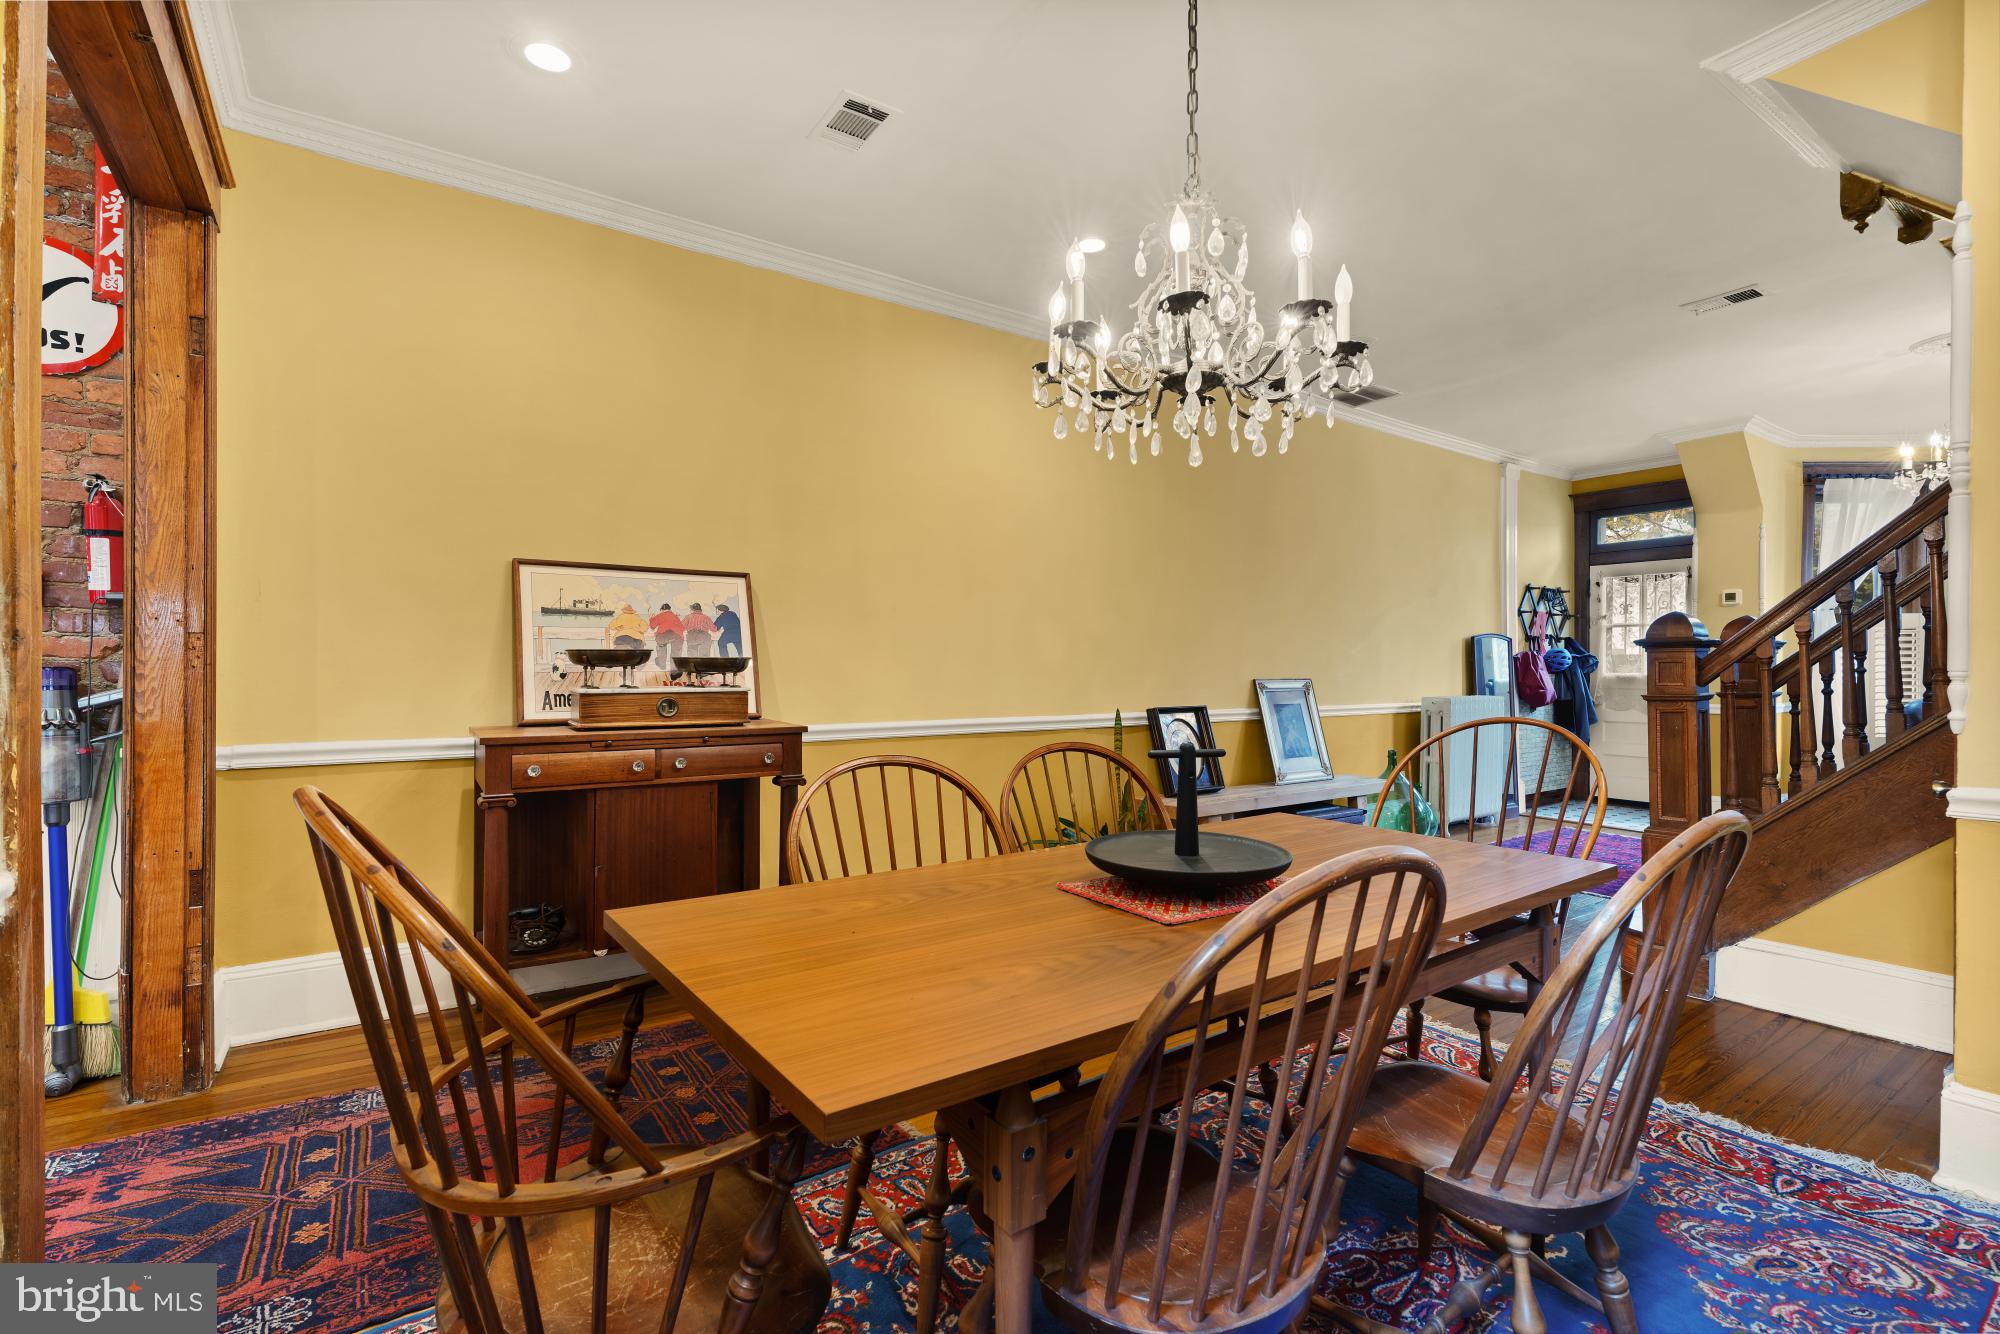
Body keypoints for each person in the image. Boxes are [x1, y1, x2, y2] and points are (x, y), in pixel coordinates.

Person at [648, 601, 684, 670]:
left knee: (661, 649)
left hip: (663, 636)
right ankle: (674, 668)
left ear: (661, 610)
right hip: (677, 636)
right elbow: (682, 628)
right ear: (670, 609)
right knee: (676, 652)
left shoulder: (660, 615)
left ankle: (662, 665)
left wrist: (651, 618)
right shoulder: (674, 616)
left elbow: (652, 626)